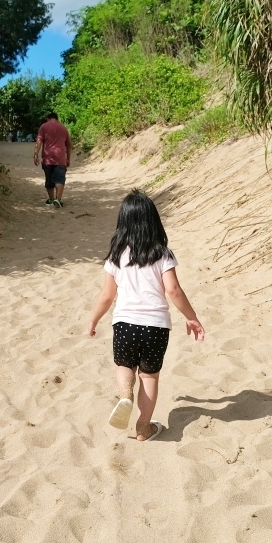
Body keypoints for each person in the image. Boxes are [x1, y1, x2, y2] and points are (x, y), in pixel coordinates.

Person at [87, 190, 206, 441]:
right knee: (149, 375)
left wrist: (93, 319)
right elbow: (173, 290)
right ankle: (143, 427)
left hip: (124, 324)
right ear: (153, 221)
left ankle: (125, 395)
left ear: (123, 223)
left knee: (124, 366)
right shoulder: (162, 253)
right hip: (155, 326)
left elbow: (107, 295)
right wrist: (191, 317)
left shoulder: (116, 255)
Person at [34, 112, 73, 208]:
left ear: (48, 118)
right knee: (60, 179)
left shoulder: (43, 126)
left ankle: (51, 199)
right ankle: (58, 199)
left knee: (49, 179)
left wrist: (36, 155)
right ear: (57, 119)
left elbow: (39, 141)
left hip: (47, 158)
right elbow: (69, 145)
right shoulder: (63, 128)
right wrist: (68, 158)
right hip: (60, 158)